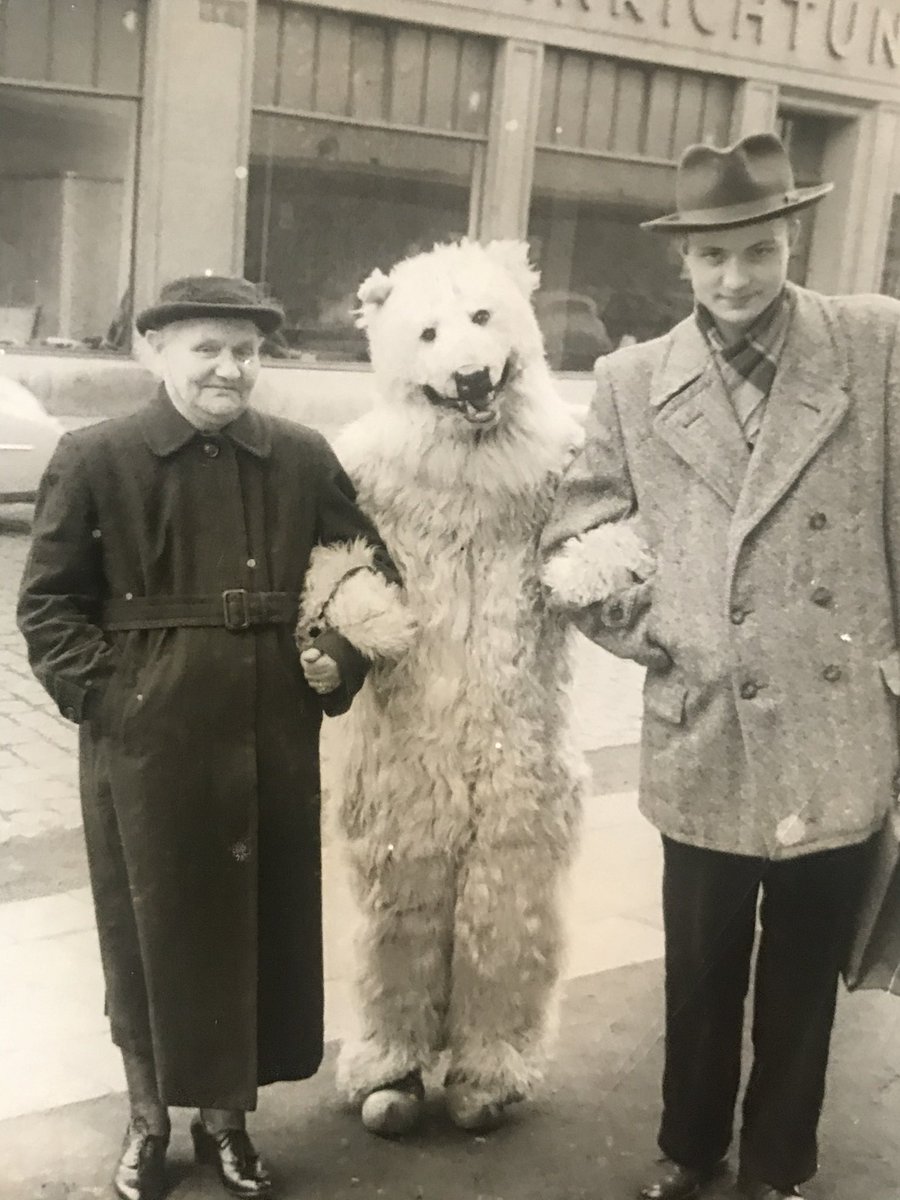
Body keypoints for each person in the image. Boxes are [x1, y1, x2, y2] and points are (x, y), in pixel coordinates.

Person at [540, 132, 900, 1200]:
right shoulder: (632, 379)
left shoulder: (873, 349)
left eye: (759, 251)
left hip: (837, 724)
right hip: (704, 717)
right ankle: (690, 1151)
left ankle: (780, 1165)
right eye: (713, 259)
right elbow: (577, 537)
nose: (736, 279)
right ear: (682, 265)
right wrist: (656, 632)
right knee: (700, 970)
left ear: (789, 240)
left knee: (803, 974)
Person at [17, 275, 400, 1200]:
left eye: (246, 350)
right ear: (156, 352)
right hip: (145, 743)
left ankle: (228, 1128)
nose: (230, 368)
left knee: (249, 932)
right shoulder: (96, 456)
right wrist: (116, 700)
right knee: (146, 931)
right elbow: (47, 608)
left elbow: (368, 573)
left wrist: (340, 656)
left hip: (269, 731)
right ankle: (148, 1124)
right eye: (207, 349)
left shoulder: (302, 459)